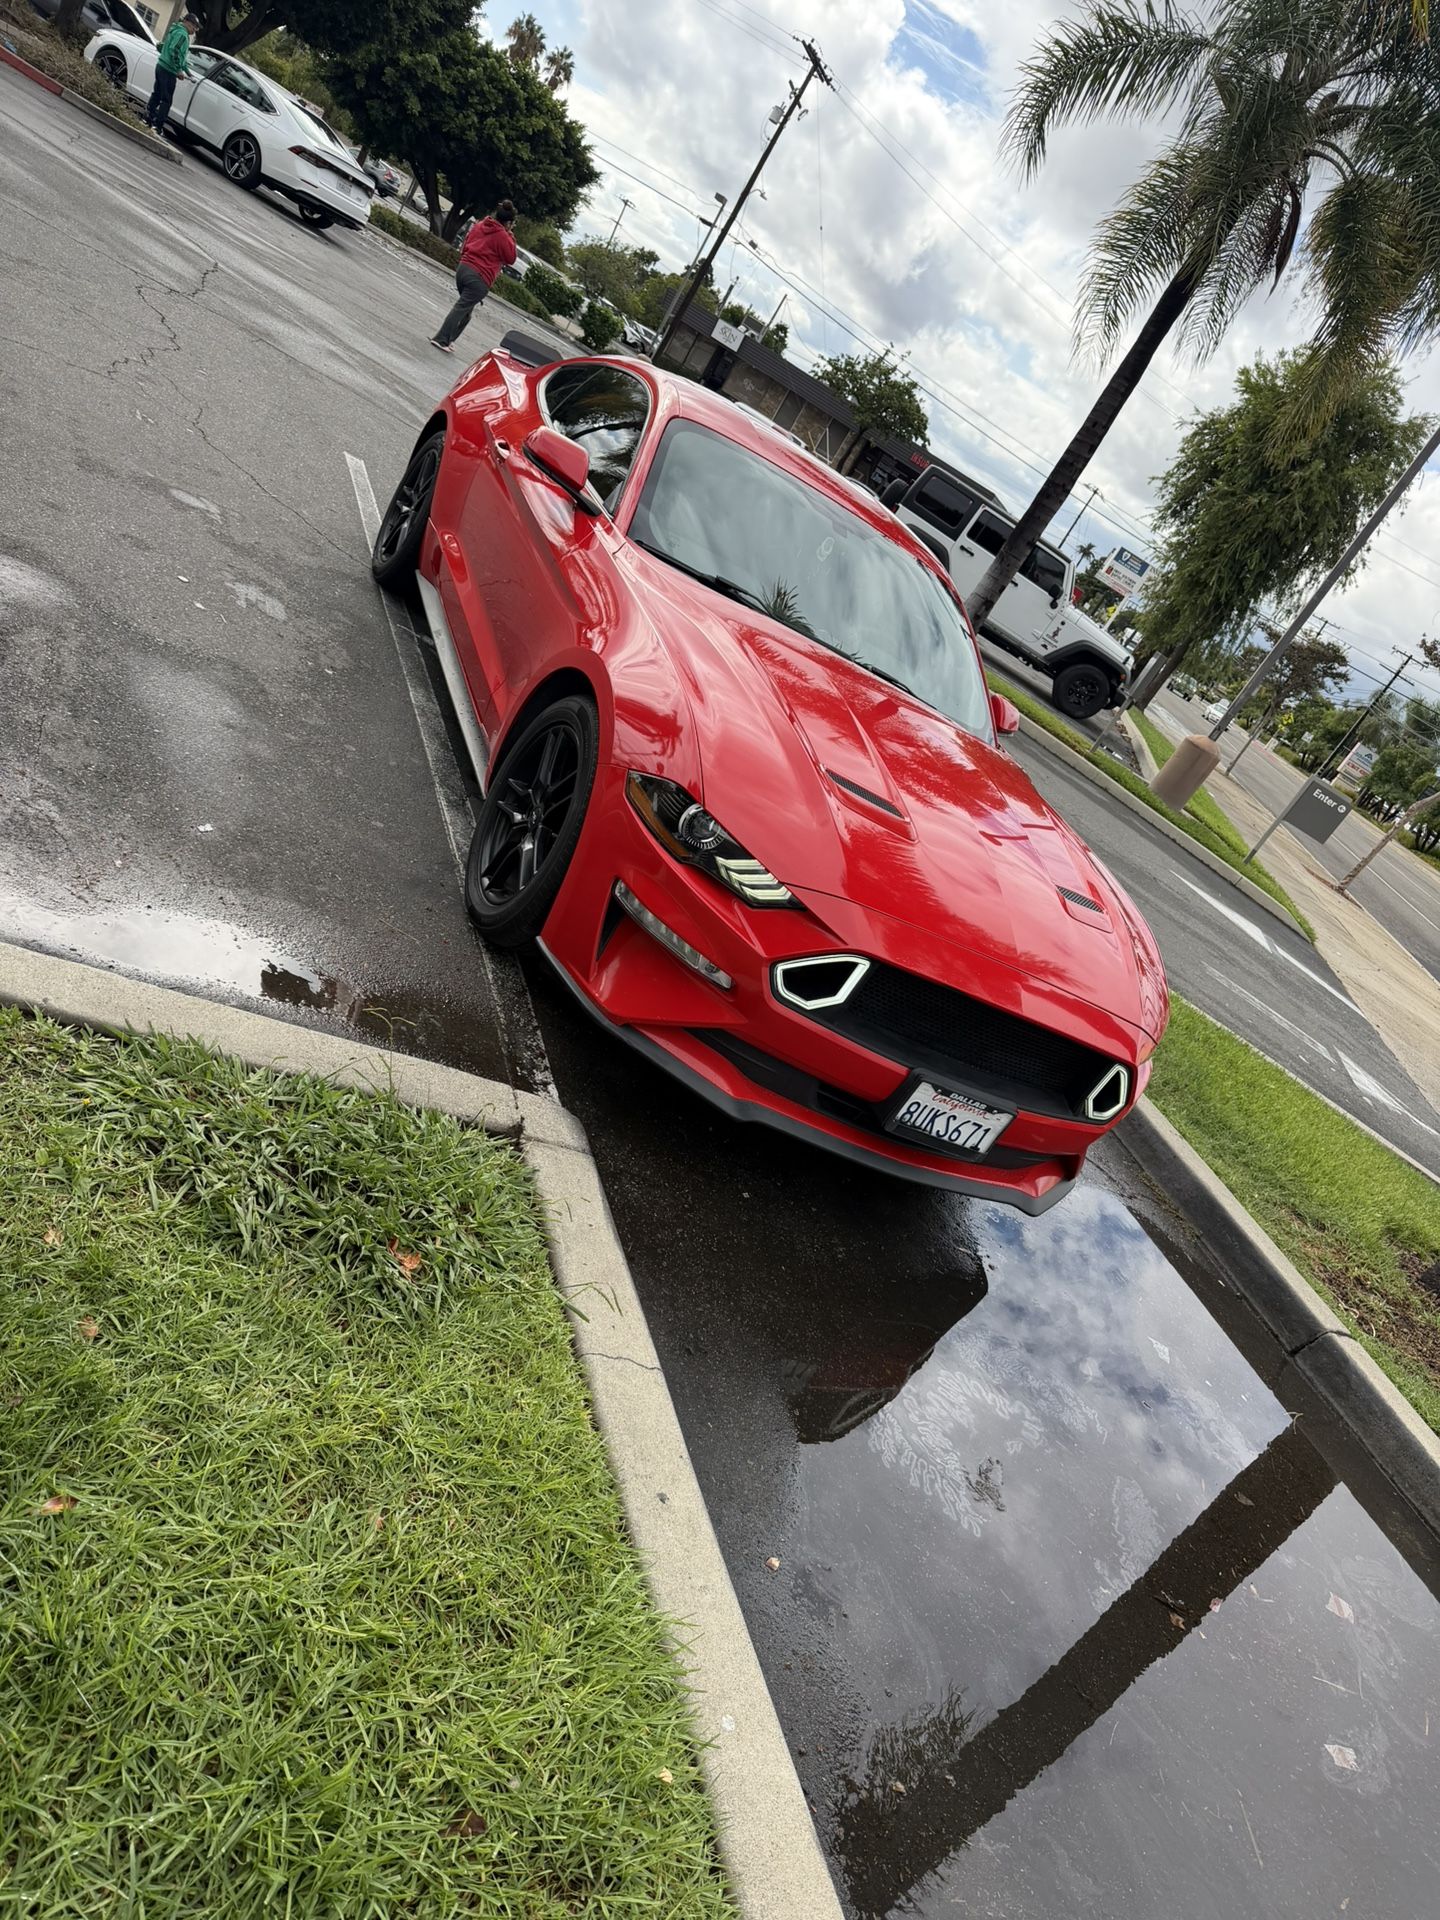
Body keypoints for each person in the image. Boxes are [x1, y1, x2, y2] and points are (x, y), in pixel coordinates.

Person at [430, 200, 518, 353]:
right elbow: (511, 258)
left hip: (463, 269)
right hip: (479, 277)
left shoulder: (481, 224)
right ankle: (441, 339)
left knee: (466, 313)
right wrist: (510, 235)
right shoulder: (503, 236)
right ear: (509, 223)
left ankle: (449, 340)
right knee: (461, 308)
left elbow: (467, 242)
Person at [145, 11, 199, 136]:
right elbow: (174, 51)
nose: (194, 30)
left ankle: (147, 118)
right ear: (186, 22)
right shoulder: (182, 34)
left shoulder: (175, 30)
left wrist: (188, 72)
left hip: (161, 66)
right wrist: (178, 70)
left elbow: (179, 57)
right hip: (169, 71)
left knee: (157, 94)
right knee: (166, 100)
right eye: (193, 26)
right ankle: (157, 127)